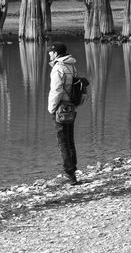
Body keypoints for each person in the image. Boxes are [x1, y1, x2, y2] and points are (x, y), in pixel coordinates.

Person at [47, 42, 84, 185]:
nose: (49, 54)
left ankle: (69, 174)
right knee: (70, 139)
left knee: (62, 141)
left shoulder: (58, 68)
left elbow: (56, 90)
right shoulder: (71, 65)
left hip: (60, 108)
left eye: (51, 52)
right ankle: (72, 170)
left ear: (56, 53)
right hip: (71, 107)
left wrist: (51, 108)